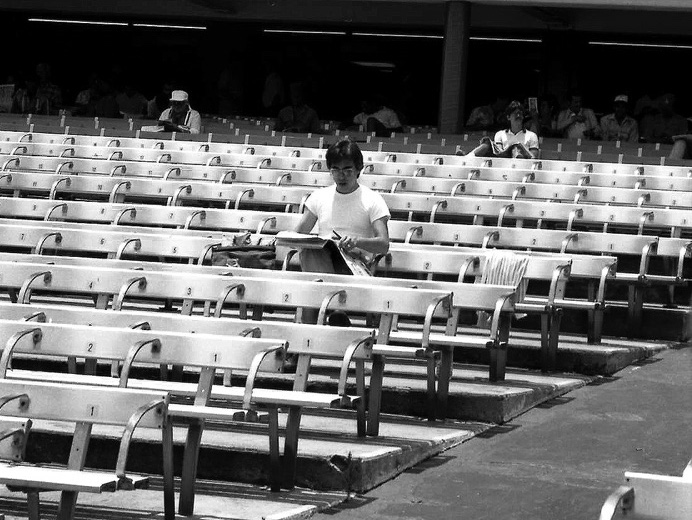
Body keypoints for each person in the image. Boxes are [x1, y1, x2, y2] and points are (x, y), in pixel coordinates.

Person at [294, 138, 390, 273]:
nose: (341, 176)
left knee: (313, 255)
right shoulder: (318, 197)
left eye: (347, 170)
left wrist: (356, 242)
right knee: (310, 251)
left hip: (356, 264)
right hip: (323, 258)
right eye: (335, 170)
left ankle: (323, 290)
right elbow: (299, 234)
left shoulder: (372, 199)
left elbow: (383, 245)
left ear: (358, 170)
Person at [465, 101, 540, 159]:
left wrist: (520, 149)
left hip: (522, 164)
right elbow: (498, 153)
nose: (518, 116)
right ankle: (467, 158)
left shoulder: (532, 135)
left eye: (520, 114)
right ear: (508, 117)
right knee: (487, 143)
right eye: (515, 113)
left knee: (516, 148)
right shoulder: (500, 134)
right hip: (504, 163)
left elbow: (533, 157)